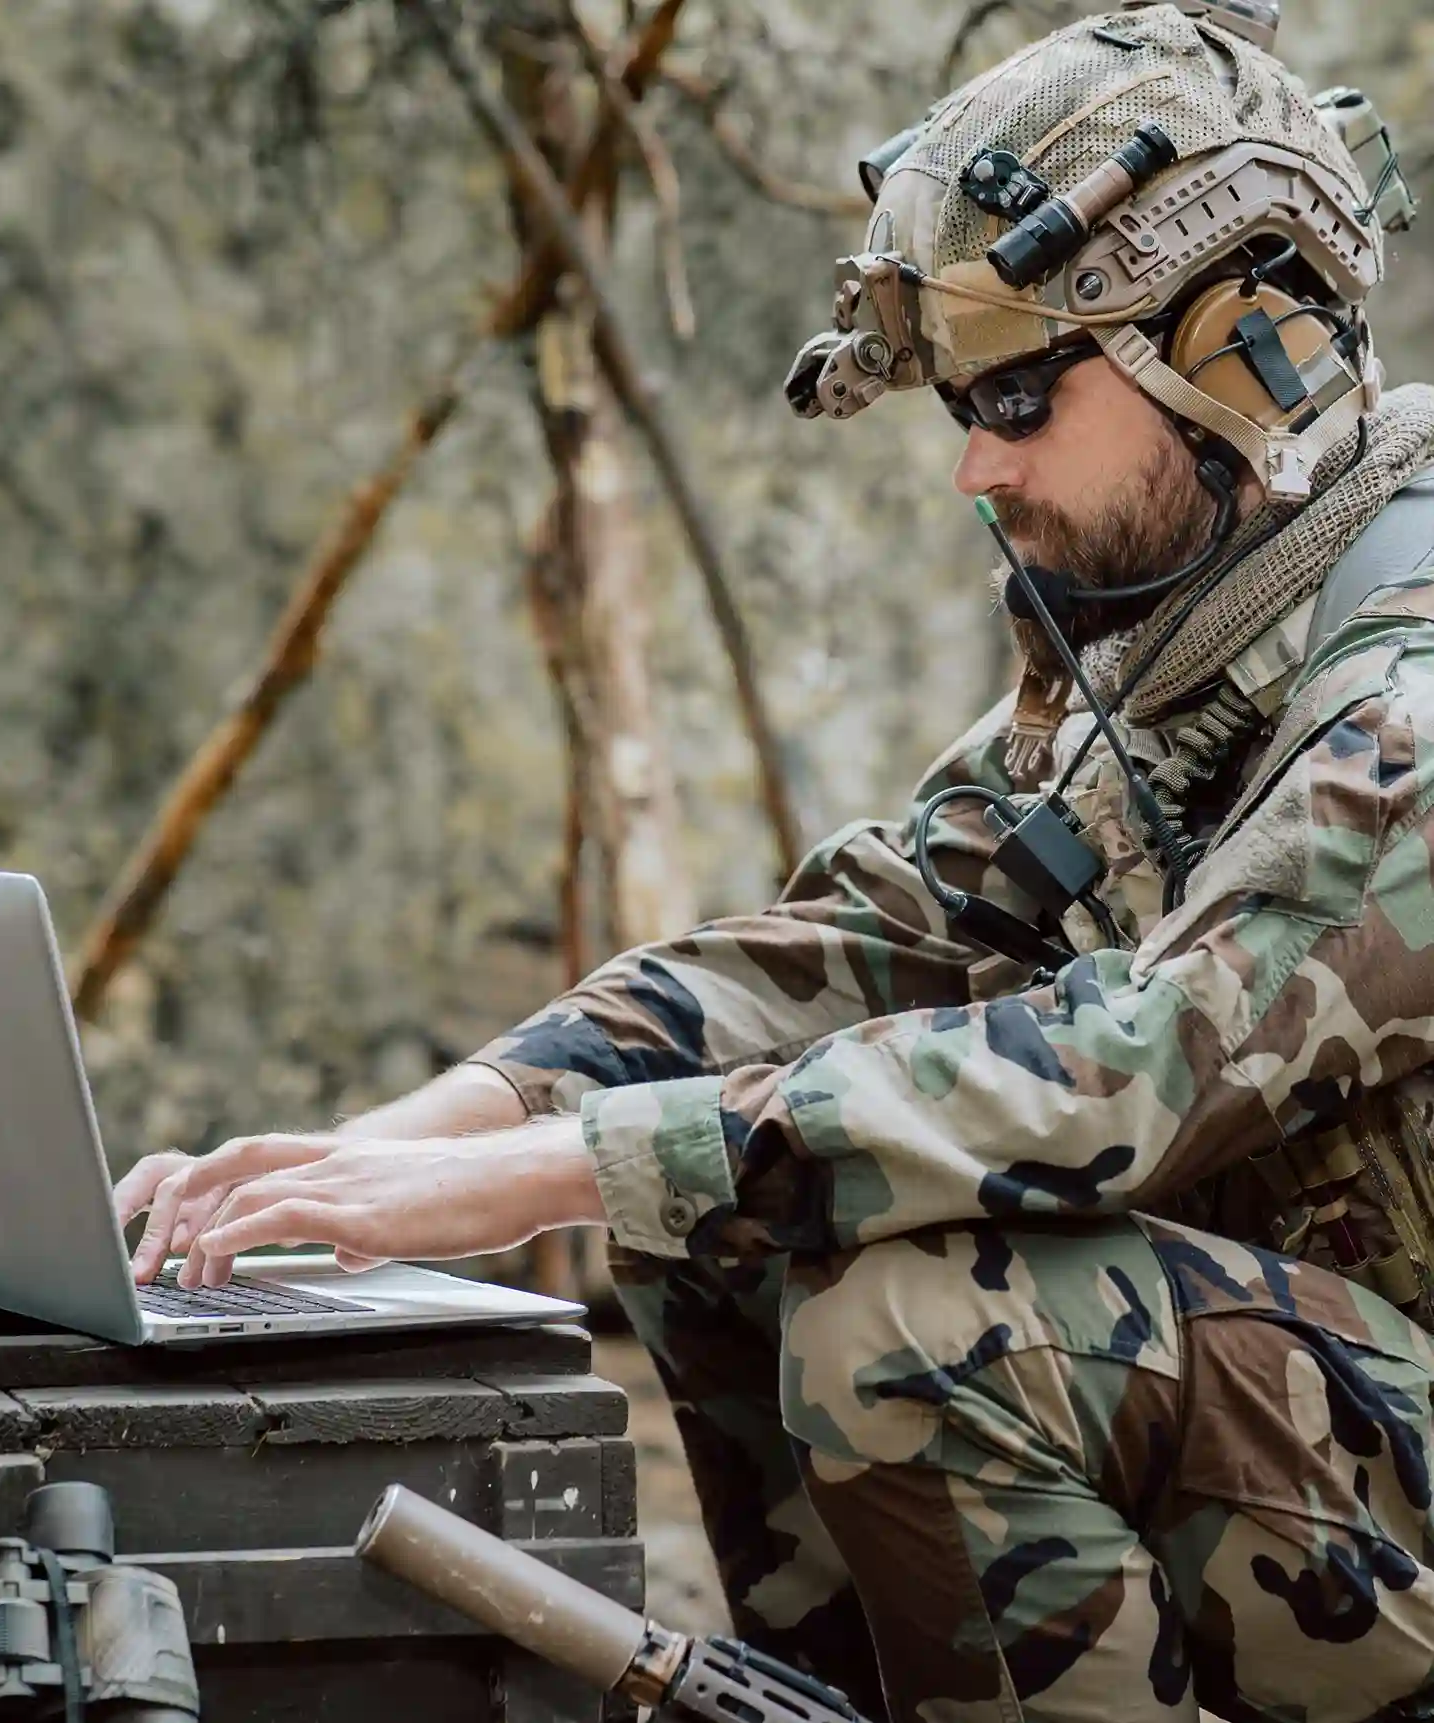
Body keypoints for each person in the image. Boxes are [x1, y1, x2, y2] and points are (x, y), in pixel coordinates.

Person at [116, 5, 1434, 1718]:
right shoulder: (1171, 657)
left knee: (919, 1310)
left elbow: (1138, 1063)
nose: (975, 465)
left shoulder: (1404, 690)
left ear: (1240, 341)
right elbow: (846, 938)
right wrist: (397, 1154)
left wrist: (551, 1178)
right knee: (723, 1191)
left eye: (1020, 396)